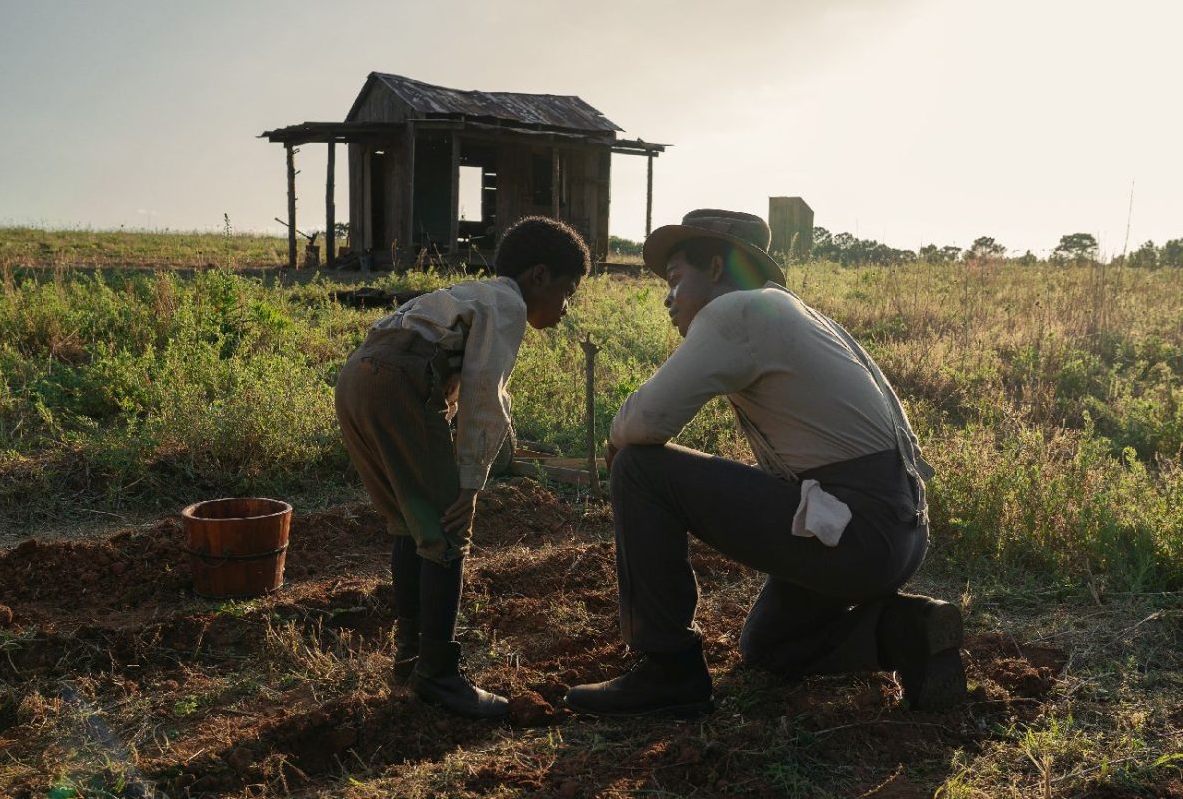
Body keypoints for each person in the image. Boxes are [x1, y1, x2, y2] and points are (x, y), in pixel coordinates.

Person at [565, 209, 965, 717]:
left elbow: (644, 421)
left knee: (639, 470)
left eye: (674, 279)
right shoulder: (793, 313)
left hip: (853, 528)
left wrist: (618, 447)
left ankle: (668, 668)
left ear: (714, 268)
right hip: (893, 532)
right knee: (768, 646)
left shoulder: (737, 312)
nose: (667, 298)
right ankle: (907, 631)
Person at [336, 216, 589, 719]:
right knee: (449, 529)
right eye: (568, 292)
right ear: (539, 276)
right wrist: (470, 482)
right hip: (396, 384)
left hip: (357, 379)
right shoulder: (510, 303)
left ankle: (410, 658)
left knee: (412, 526)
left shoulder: (469, 292)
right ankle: (439, 675)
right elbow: (483, 394)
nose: (566, 308)